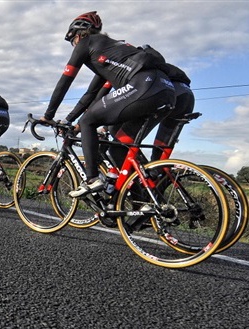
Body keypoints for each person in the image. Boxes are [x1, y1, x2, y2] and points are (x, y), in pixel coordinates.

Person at [40, 11, 177, 198]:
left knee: (88, 120)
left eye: (73, 40)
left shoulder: (86, 43)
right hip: (166, 91)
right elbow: (91, 94)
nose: (74, 45)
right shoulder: (110, 50)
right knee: (118, 147)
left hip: (144, 86)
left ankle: (92, 179)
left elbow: (65, 81)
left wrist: (48, 115)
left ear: (80, 33)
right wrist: (70, 119)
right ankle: (145, 202)